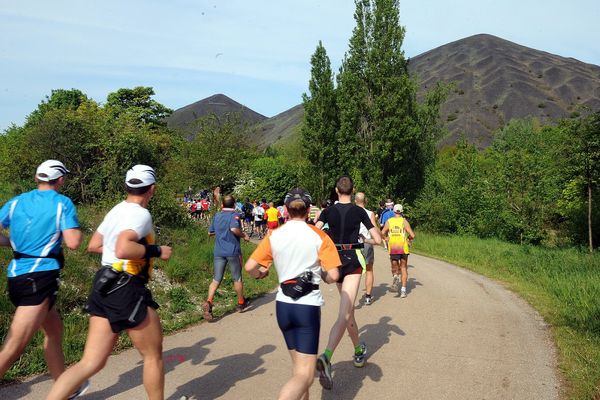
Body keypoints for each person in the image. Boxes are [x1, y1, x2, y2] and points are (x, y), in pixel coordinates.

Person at [46, 165, 173, 400]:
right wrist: (157, 250)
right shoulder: (141, 214)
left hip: (104, 283)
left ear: (127, 186)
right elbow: (124, 247)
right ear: (151, 189)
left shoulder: (116, 211)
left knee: (90, 362)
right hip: (127, 288)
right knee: (152, 356)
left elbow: (94, 245)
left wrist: (117, 253)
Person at [0, 160, 87, 397]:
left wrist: (11, 242)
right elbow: (73, 242)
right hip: (39, 279)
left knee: (54, 330)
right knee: (14, 346)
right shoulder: (62, 203)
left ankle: (64, 387)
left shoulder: (16, 201)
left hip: (18, 275)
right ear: (60, 180)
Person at [245, 188, 340, 400]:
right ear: (309, 211)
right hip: (307, 307)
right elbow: (333, 274)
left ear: (286, 210)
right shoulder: (320, 236)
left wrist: (262, 274)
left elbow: (250, 266)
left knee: (299, 370)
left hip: (283, 306)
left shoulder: (275, 235)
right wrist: (324, 277)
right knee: (306, 377)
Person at [315, 176, 381, 390]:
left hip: (334, 261)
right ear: (353, 191)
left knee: (349, 311)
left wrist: (326, 240)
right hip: (352, 261)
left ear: (336, 190)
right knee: (345, 313)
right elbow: (378, 240)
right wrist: (364, 241)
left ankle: (358, 350)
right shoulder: (359, 211)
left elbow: (315, 231)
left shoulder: (327, 211)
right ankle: (326, 356)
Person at [202, 195, 251, 322]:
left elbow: (210, 232)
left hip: (218, 251)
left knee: (216, 279)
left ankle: (209, 301)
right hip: (233, 251)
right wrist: (244, 235)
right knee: (237, 277)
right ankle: (241, 303)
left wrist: (220, 233)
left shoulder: (217, 216)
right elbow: (234, 229)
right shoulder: (234, 215)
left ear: (222, 205)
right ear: (234, 205)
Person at [381, 204, 415, 298]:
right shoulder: (404, 221)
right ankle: (403, 291)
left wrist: (386, 238)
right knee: (403, 267)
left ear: (394, 211)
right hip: (403, 247)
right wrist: (409, 240)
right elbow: (412, 234)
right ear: (402, 211)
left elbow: (382, 232)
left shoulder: (389, 221)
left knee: (394, 266)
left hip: (393, 247)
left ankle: (395, 276)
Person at [354, 192, 377, 305]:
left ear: (355, 201)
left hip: (353, 244)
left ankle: (351, 296)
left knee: (354, 271)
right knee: (369, 270)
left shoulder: (350, 212)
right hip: (366, 243)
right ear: (365, 201)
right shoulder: (370, 213)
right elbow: (374, 229)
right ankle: (368, 296)